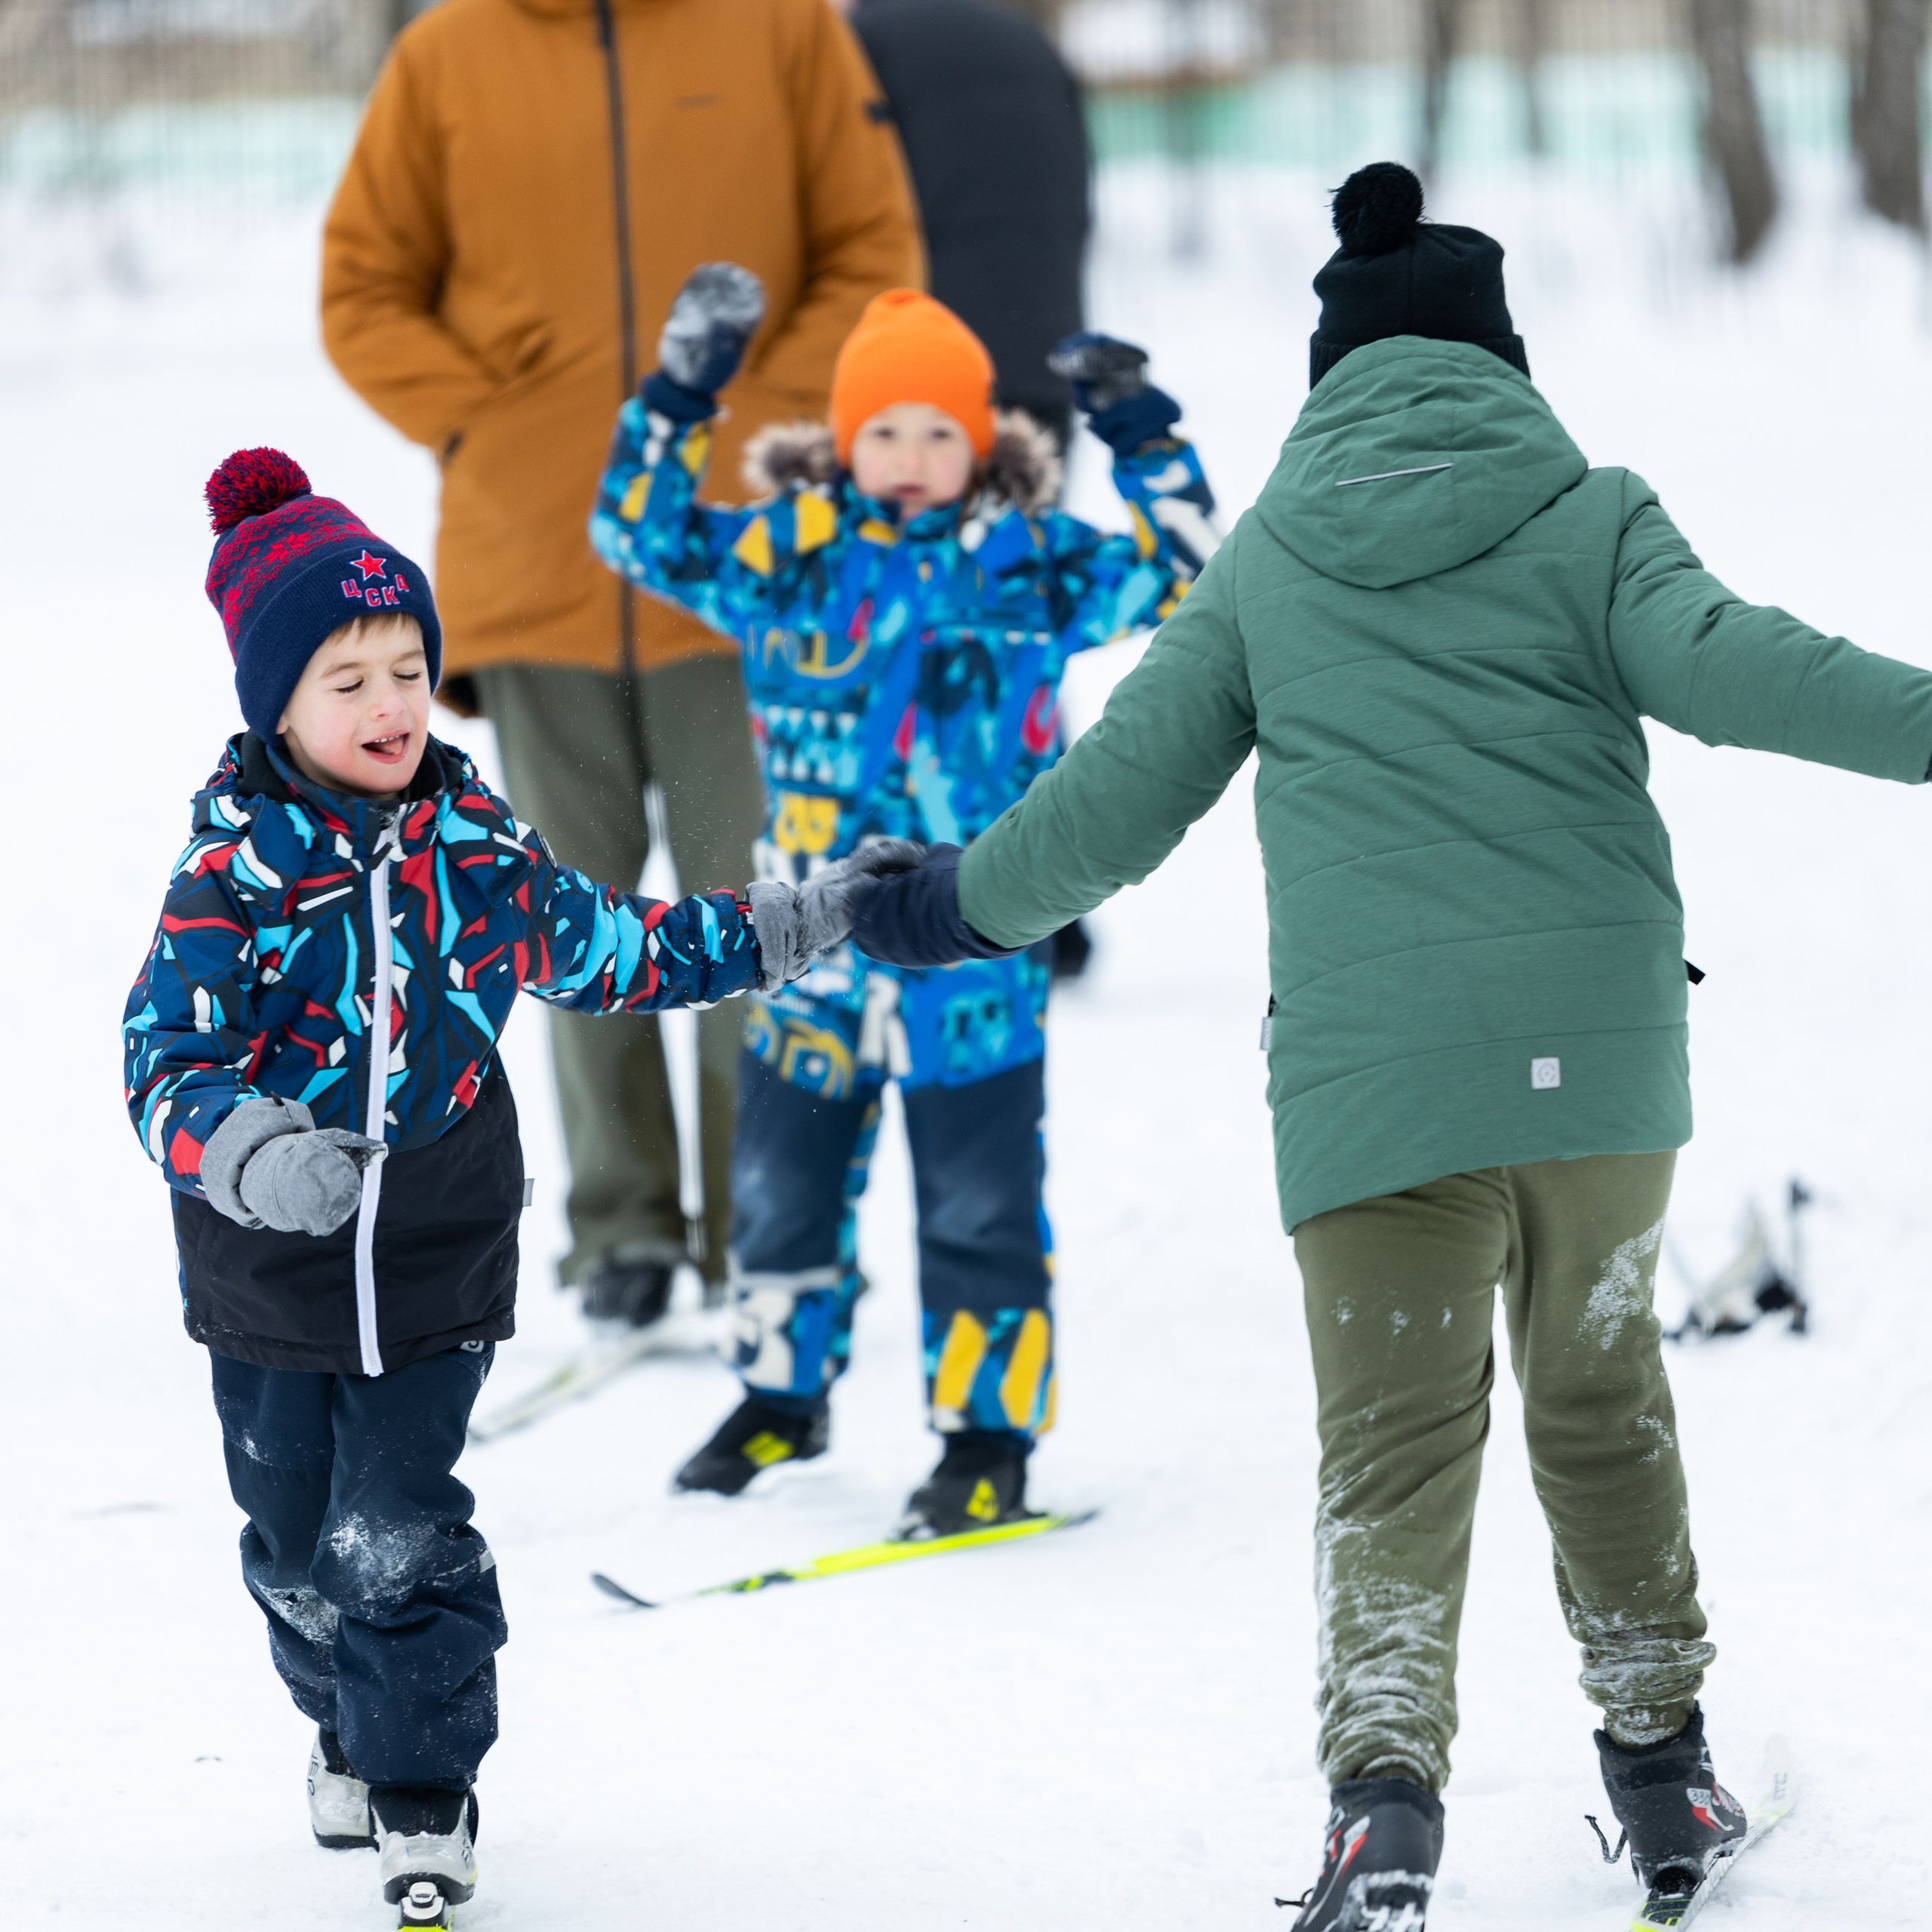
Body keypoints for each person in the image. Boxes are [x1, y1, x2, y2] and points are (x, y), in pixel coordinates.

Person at [844, 163, 1932, 1926]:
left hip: (1370, 1084)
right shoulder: (1588, 516)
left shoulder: (1265, 566)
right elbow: (1754, 670)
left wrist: (940, 905)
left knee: (1391, 1456)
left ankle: (1380, 1810)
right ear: (1498, 362)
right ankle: (1662, 1767)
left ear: (1328, 378)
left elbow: (1105, 809)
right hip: (1594, 1066)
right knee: (1600, 1396)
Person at [121, 450, 905, 1922]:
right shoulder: (231, 871)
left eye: (409, 670)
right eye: (347, 680)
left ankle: (424, 1788)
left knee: (398, 1523)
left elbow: (624, 953)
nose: (390, 704)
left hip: (434, 1242)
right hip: (266, 1267)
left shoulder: (472, 851)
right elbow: (163, 1058)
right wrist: (252, 1152)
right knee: (292, 1542)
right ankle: (342, 1723)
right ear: (277, 705)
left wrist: (800, 918)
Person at [321, 0, 922, 1328]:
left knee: (758, 908)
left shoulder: (781, 29)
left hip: (740, 571)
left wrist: (763, 409)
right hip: (535, 576)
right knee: (558, 919)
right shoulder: (448, 54)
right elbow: (364, 288)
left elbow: (873, 254)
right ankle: (623, 1230)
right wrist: (486, 417)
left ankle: (771, 1222)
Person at [588, 270, 1220, 1532]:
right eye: (885, 430)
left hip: (973, 945)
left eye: (941, 430)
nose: (914, 456)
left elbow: (1188, 573)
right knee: (781, 1187)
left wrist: (1142, 431)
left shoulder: (1029, 564)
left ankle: (986, 1433)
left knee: (981, 1202)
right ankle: (780, 1394)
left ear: (982, 441)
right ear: (844, 441)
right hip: (805, 947)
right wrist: (682, 392)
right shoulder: (788, 556)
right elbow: (637, 533)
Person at [847, 0, 1100, 983]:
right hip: (1042, 368)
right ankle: (1049, 901)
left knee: (918, 639)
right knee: (1015, 626)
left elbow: (855, 206)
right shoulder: (1029, 45)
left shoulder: (861, 45)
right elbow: (1080, 195)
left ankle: (933, 892)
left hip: (925, 388)